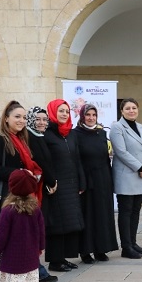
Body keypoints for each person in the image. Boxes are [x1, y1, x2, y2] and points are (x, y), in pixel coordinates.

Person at [0, 101, 44, 239]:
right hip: (5, 196)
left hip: (21, 196)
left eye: (24, 117)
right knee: (4, 236)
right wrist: (20, 174)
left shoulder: (21, 139)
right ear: (6, 118)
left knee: (21, 236)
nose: (21, 120)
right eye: (17, 117)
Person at [42, 99, 86, 272]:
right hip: (56, 185)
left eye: (66, 111)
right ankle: (54, 260)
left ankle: (63, 258)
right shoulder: (47, 134)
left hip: (72, 183)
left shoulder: (71, 134)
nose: (64, 114)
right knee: (57, 224)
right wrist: (50, 181)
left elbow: (77, 159)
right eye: (60, 111)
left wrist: (81, 180)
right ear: (52, 112)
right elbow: (45, 161)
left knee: (69, 222)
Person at [74, 104, 118, 262]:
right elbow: (76, 159)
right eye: (88, 115)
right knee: (88, 215)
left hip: (103, 179)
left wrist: (110, 179)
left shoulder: (101, 133)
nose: (91, 118)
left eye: (94, 115)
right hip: (87, 180)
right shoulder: (76, 134)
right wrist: (81, 181)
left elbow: (106, 158)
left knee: (102, 214)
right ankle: (86, 251)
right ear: (82, 116)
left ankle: (101, 249)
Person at [110, 98, 142, 259]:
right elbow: (121, 152)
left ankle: (133, 243)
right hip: (126, 176)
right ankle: (126, 247)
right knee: (126, 211)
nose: (131, 111)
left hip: (141, 175)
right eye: (127, 108)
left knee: (136, 211)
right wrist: (140, 167)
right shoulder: (117, 127)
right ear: (122, 111)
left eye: (134, 108)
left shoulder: (141, 127)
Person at [24, 107, 59, 282]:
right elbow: (41, 163)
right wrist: (51, 181)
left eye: (45, 119)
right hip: (36, 191)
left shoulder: (39, 136)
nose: (42, 123)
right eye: (38, 119)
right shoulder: (31, 138)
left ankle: (37, 268)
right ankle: (36, 269)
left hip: (43, 189)